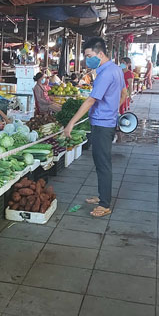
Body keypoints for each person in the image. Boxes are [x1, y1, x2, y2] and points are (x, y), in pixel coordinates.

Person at [64, 37, 127, 218]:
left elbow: (91, 100)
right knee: (101, 163)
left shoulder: (106, 73)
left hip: (102, 124)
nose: (87, 59)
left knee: (103, 164)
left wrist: (71, 123)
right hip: (107, 121)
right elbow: (124, 93)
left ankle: (105, 204)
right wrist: (112, 110)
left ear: (100, 53)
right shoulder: (116, 69)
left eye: (89, 55)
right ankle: (102, 196)